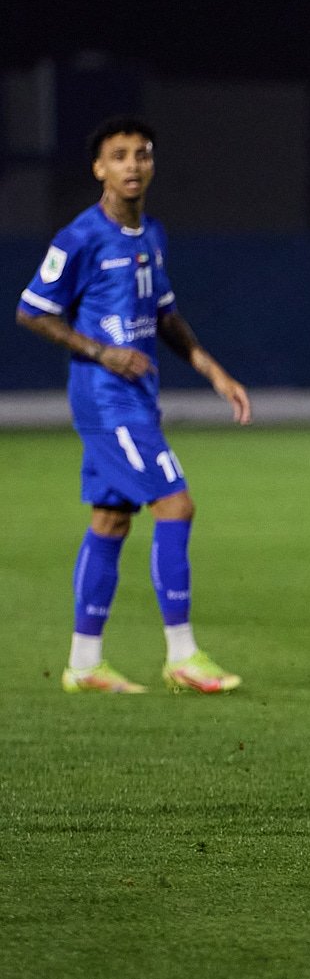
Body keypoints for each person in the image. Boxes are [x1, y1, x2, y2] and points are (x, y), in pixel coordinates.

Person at [16, 118, 252, 694]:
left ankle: (84, 664)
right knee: (176, 505)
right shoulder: (80, 237)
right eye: (119, 155)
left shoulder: (152, 234)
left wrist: (214, 372)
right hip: (106, 399)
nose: (132, 165)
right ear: (99, 168)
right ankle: (182, 655)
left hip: (137, 398)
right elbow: (32, 310)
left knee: (110, 520)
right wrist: (102, 352)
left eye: (141, 154)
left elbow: (165, 315)